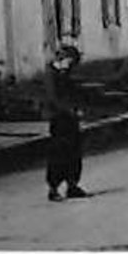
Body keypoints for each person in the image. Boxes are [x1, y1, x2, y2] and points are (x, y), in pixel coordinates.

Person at [44, 43, 89, 202]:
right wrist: (68, 110)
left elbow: (74, 92)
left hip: (71, 117)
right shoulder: (51, 74)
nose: (71, 66)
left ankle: (72, 184)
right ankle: (53, 187)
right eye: (70, 62)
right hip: (58, 118)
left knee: (74, 151)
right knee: (58, 153)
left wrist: (77, 109)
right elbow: (53, 97)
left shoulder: (66, 74)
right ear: (62, 59)